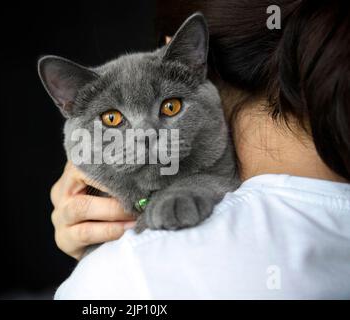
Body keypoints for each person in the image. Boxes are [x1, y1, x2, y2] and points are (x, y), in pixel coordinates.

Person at [50, 0, 350, 298]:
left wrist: (105, 268)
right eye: (113, 119)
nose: (146, 136)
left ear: (195, 59)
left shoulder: (132, 274)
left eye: (170, 106)